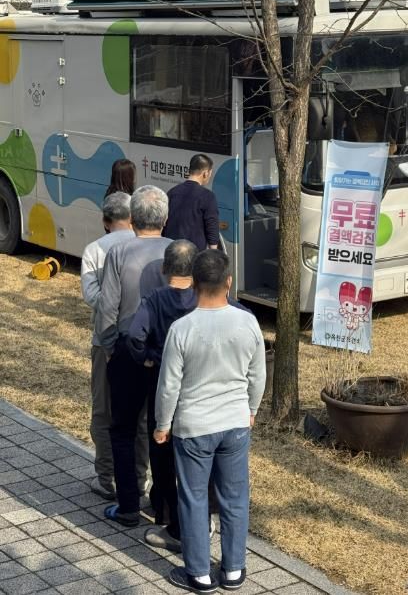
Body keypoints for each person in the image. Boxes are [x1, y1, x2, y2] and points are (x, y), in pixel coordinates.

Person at [154, 250, 266, 593]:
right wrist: (251, 409)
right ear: (228, 283)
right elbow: (258, 374)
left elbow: (169, 385)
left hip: (194, 426)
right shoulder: (248, 322)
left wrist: (162, 424)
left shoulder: (181, 329)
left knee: (193, 497)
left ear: (194, 285)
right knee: (234, 497)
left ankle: (199, 574)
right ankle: (233, 569)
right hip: (235, 422)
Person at [127, 242, 251, 550]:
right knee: (210, 470)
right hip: (217, 396)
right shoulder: (227, 306)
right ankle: (208, 525)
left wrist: (147, 358)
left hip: (167, 388)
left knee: (165, 460)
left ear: (164, 268)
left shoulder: (156, 301)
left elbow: (135, 336)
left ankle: (173, 521)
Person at [96, 185, 172, 527]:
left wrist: (109, 347)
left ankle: (128, 505)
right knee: (163, 429)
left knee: (124, 428)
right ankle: (163, 506)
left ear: (133, 218)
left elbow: (107, 308)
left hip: (127, 349)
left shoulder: (119, 252)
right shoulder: (178, 250)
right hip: (168, 352)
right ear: (165, 218)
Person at [81, 192, 141, 500]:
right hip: (140, 339)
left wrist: (110, 304)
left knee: (103, 409)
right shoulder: (144, 245)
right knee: (140, 413)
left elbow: (91, 295)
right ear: (132, 218)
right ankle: (140, 477)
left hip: (105, 339)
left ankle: (106, 477)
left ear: (105, 221)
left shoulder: (94, 249)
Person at [163, 154, 219, 251]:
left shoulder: (172, 192)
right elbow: (212, 229)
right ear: (205, 173)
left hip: (172, 251)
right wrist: (213, 253)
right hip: (194, 254)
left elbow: (164, 223)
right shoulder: (207, 196)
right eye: (210, 173)